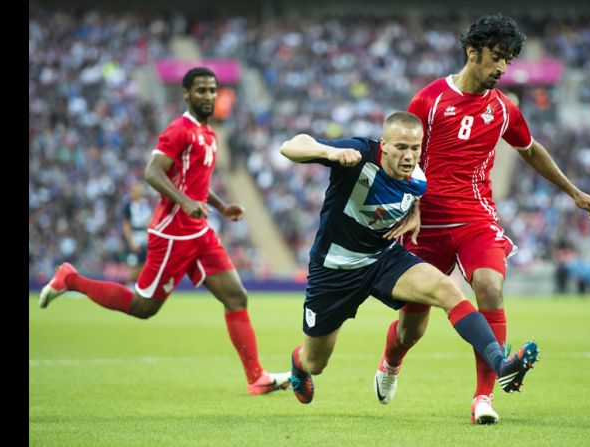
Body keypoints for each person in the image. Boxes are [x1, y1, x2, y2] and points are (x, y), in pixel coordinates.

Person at [373, 14, 590, 424]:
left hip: (475, 218)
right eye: (495, 58)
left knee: (489, 287)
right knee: (411, 330)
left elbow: (531, 150)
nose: (500, 68)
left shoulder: (503, 109)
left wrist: (573, 191)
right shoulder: (428, 100)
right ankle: (391, 360)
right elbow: (401, 160)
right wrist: (408, 204)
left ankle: (484, 397)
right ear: (472, 52)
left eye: (507, 61)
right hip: (425, 223)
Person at [38, 67, 291, 395]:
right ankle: (70, 279)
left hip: (199, 232)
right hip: (173, 234)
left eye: (213, 90)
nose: (209, 96)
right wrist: (185, 202)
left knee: (236, 296)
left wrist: (222, 206)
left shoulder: (209, 133)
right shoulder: (179, 130)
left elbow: (198, 180)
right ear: (186, 93)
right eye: (201, 90)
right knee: (143, 308)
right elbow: (153, 173)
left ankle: (256, 377)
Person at [279, 112, 539, 411]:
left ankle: (501, 364)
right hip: (335, 269)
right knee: (316, 361)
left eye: (415, 148)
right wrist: (330, 151)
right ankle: (298, 366)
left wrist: (414, 213)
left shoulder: (417, 179)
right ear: (384, 145)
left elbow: (413, 195)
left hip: (382, 259)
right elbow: (292, 145)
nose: (409, 156)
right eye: (401, 147)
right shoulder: (360, 152)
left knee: (447, 289)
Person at [120, 183, 152, 287]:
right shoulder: (129, 205)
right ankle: (124, 286)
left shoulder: (145, 204)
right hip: (136, 236)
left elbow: (149, 220)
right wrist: (131, 241)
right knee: (135, 266)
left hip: (145, 237)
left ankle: (135, 287)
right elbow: (126, 225)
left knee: (144, 266)